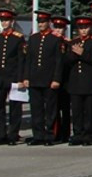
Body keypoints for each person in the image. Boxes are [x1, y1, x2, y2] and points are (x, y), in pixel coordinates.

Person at [25, 13, 66, 146]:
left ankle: (50, 135)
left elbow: (58, 61)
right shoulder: (33, 38)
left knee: (50, 109)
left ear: (49, 22)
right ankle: (38, 135)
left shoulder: (55, 39)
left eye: (43, 21)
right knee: (36, 109)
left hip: (49, 80)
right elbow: (29, 60)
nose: (41, 24)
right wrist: (26, 77)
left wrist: (56, 79)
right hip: (35, 79)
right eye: (39, 22)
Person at [0, 9, 26, 145]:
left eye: (7, 20)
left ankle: (13, 134)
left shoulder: (18, 38)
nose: (4, 23)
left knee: (15, 107)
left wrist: (21, 79)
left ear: (12, 21)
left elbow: (21, 60)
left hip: (13, 77)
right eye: (2, 20)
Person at [66, 16, 92, 146]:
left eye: (86, 27)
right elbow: (67, 61)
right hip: (76, 82)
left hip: (90, 82)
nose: (83, 30)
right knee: (76, 111)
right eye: (81, 28)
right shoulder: (73, 42)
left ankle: (89, 135)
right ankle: (78, 134)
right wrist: (74, 54)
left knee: (90, 111)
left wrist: (83, 53)